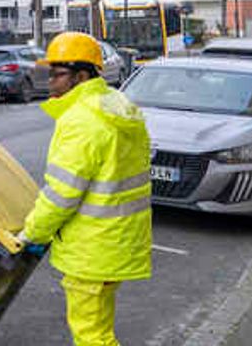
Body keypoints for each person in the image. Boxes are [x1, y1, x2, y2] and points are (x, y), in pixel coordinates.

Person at [16, 31, 152, 346]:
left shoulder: (81, 120)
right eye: (48, 74)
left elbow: (61, 194)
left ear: (80, 76)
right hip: (116, 242)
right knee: (100, 329)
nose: (50, 82)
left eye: (58, 74)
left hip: (91, 249)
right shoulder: (117, 104)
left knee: (91, 336)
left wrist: (31, 234)